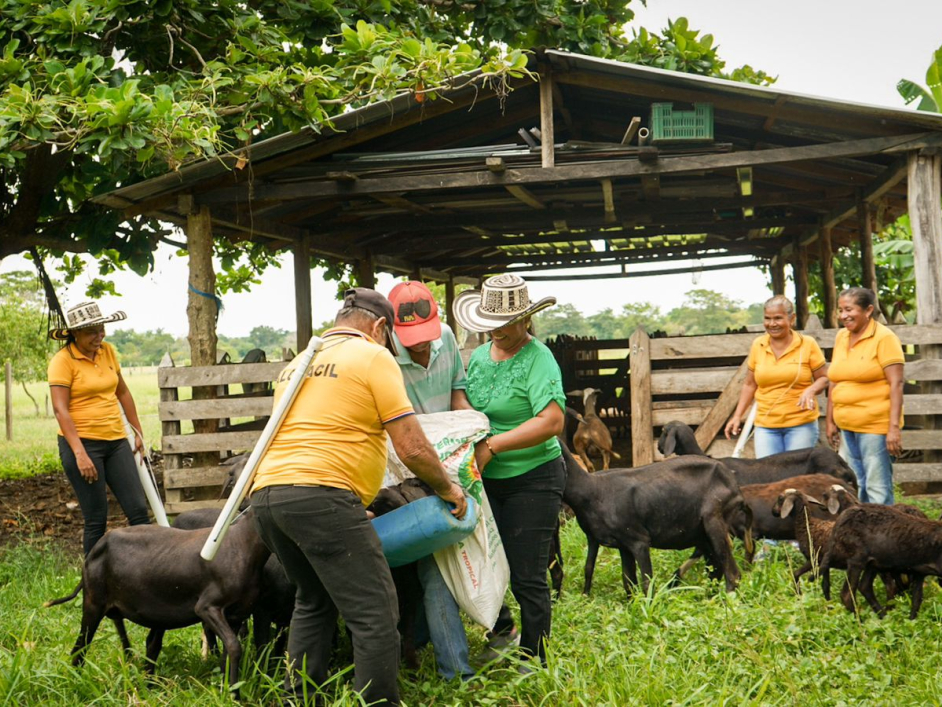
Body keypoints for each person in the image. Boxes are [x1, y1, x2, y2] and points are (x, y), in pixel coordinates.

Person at [249, 287, 467, 705]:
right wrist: (447, 487)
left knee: (313, 601)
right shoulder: (372, 355)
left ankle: (299, 699)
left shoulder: (300, 361)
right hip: (320, 495)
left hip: (268, 498)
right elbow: (413, 447)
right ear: (381, 327)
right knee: (376, 614)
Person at [452, 274, 566, 667]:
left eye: (506, 324)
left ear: (526, 319)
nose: (497, 331)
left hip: (532, 477)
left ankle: (535, 658)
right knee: (489, 564)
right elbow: (464, 395)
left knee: (527, 575)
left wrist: (493, 446)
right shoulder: (481, 357)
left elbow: (551, 421)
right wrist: (469, 422)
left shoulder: (539, 358)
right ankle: (502, 634)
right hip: (488, 480)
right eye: (491, 325)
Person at [387, 280, 475, 681]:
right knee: (433, 566)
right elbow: (401, 440)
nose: (420, 347)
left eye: (425, 337)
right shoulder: (382, 356)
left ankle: (424, 642)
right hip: (404, 473)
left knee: (455, 555)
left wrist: (469, 434)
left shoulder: (447, 339)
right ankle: (454, 670)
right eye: (411, 341)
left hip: (450, 464)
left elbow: (458, 396)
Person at [47, 301, 152, 555]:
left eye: (101, 328)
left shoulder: (107, 351)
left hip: (116, 441)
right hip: (83, 444)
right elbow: (61, 410)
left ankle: (149, 574)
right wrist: (80, 454)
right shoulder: (62, 361)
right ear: (75, 333)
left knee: (138, 510)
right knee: (96, 518)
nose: (99, 335)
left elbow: (123, 392)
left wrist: (136, 431)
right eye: (91, 331)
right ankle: (94, 583)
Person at [826, 287, 905, 504]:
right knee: (853, 482)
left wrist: (893, 428)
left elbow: (896, 383)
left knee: (876, 485)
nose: (843, 316)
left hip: (874, 426)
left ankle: (883, 533)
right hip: (847, 424)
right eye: (840, 310)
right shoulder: (842, 336)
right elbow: (835, 379)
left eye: (849, 310)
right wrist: (830, 419)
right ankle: (861, 532)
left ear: (868, 310)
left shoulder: (884, 338)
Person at [724, 295, 829, 458]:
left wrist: (811, 389)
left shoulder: (807, 344)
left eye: (778, 318)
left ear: (791, 319)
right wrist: (737, 416)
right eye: (767, 318)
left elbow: (825, 378)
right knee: (769, 477)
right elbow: (749, 385)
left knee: (795, 478)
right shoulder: (758, 345)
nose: (772, 324)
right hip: (766, 425)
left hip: (800, 424)